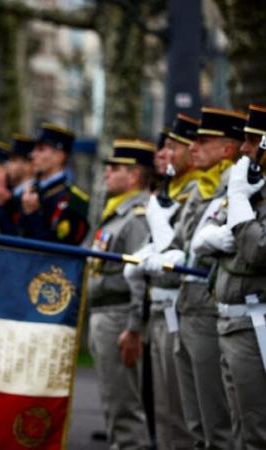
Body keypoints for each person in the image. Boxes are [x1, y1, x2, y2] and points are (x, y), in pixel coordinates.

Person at [144, 107, 245, 449]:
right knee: (193, 420)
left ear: (227, 150)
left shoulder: (233, 188)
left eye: (203, 141)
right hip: (185, 308)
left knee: (217, 422)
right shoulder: (202, 191)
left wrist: (181, 254)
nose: (194, 147)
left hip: (207, 309)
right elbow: (178, 245)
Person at [123, 114, 200, 449]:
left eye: (173, 147)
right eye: (164, 147)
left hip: (186, 308)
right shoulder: (171, 191)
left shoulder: (197, 191)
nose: (164, 154)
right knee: (165, 412)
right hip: (162, 307)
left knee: (187, 415)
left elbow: (184, 249)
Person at [86, 139, 155, 450]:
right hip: (104, 314)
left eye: (115, 169)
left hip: (119, 316)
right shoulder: (116, 212)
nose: (107, 174)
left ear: (135, 176)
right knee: (113, 405)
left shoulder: (136, 216)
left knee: (125, 408)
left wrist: (134, 327)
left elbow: (139, 277)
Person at [211, 104, 266, 448]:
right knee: (240, 431)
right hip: (233, 322)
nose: (243, 149)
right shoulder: (253, 188)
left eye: (251, 140)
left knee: (256, 432)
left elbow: (258, 251)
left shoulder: (246, 192)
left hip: (257, 323)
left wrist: (238, 202)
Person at [19, 123, 89, 244]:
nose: (32, 155)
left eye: (41, 149)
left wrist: (33, 215)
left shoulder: (75, 200)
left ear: (59, 156)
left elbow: (60, 248)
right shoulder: (30, 190)